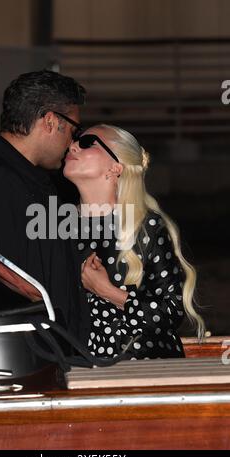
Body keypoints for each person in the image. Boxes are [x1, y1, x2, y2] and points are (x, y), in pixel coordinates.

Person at [0, 70, 90, 343]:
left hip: (52, 350)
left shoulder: (28, 178)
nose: (73, 142)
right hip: (35, 356)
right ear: (50, 121)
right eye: (73, 130)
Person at [63, 124, 205, 359]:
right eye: (77, 139)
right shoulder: (59, 225)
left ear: (115, 167)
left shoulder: (145, 228)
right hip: (80, 366)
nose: (73, 145)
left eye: (89, 143)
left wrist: (106, 290)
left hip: (142, 366)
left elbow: (170, 313)